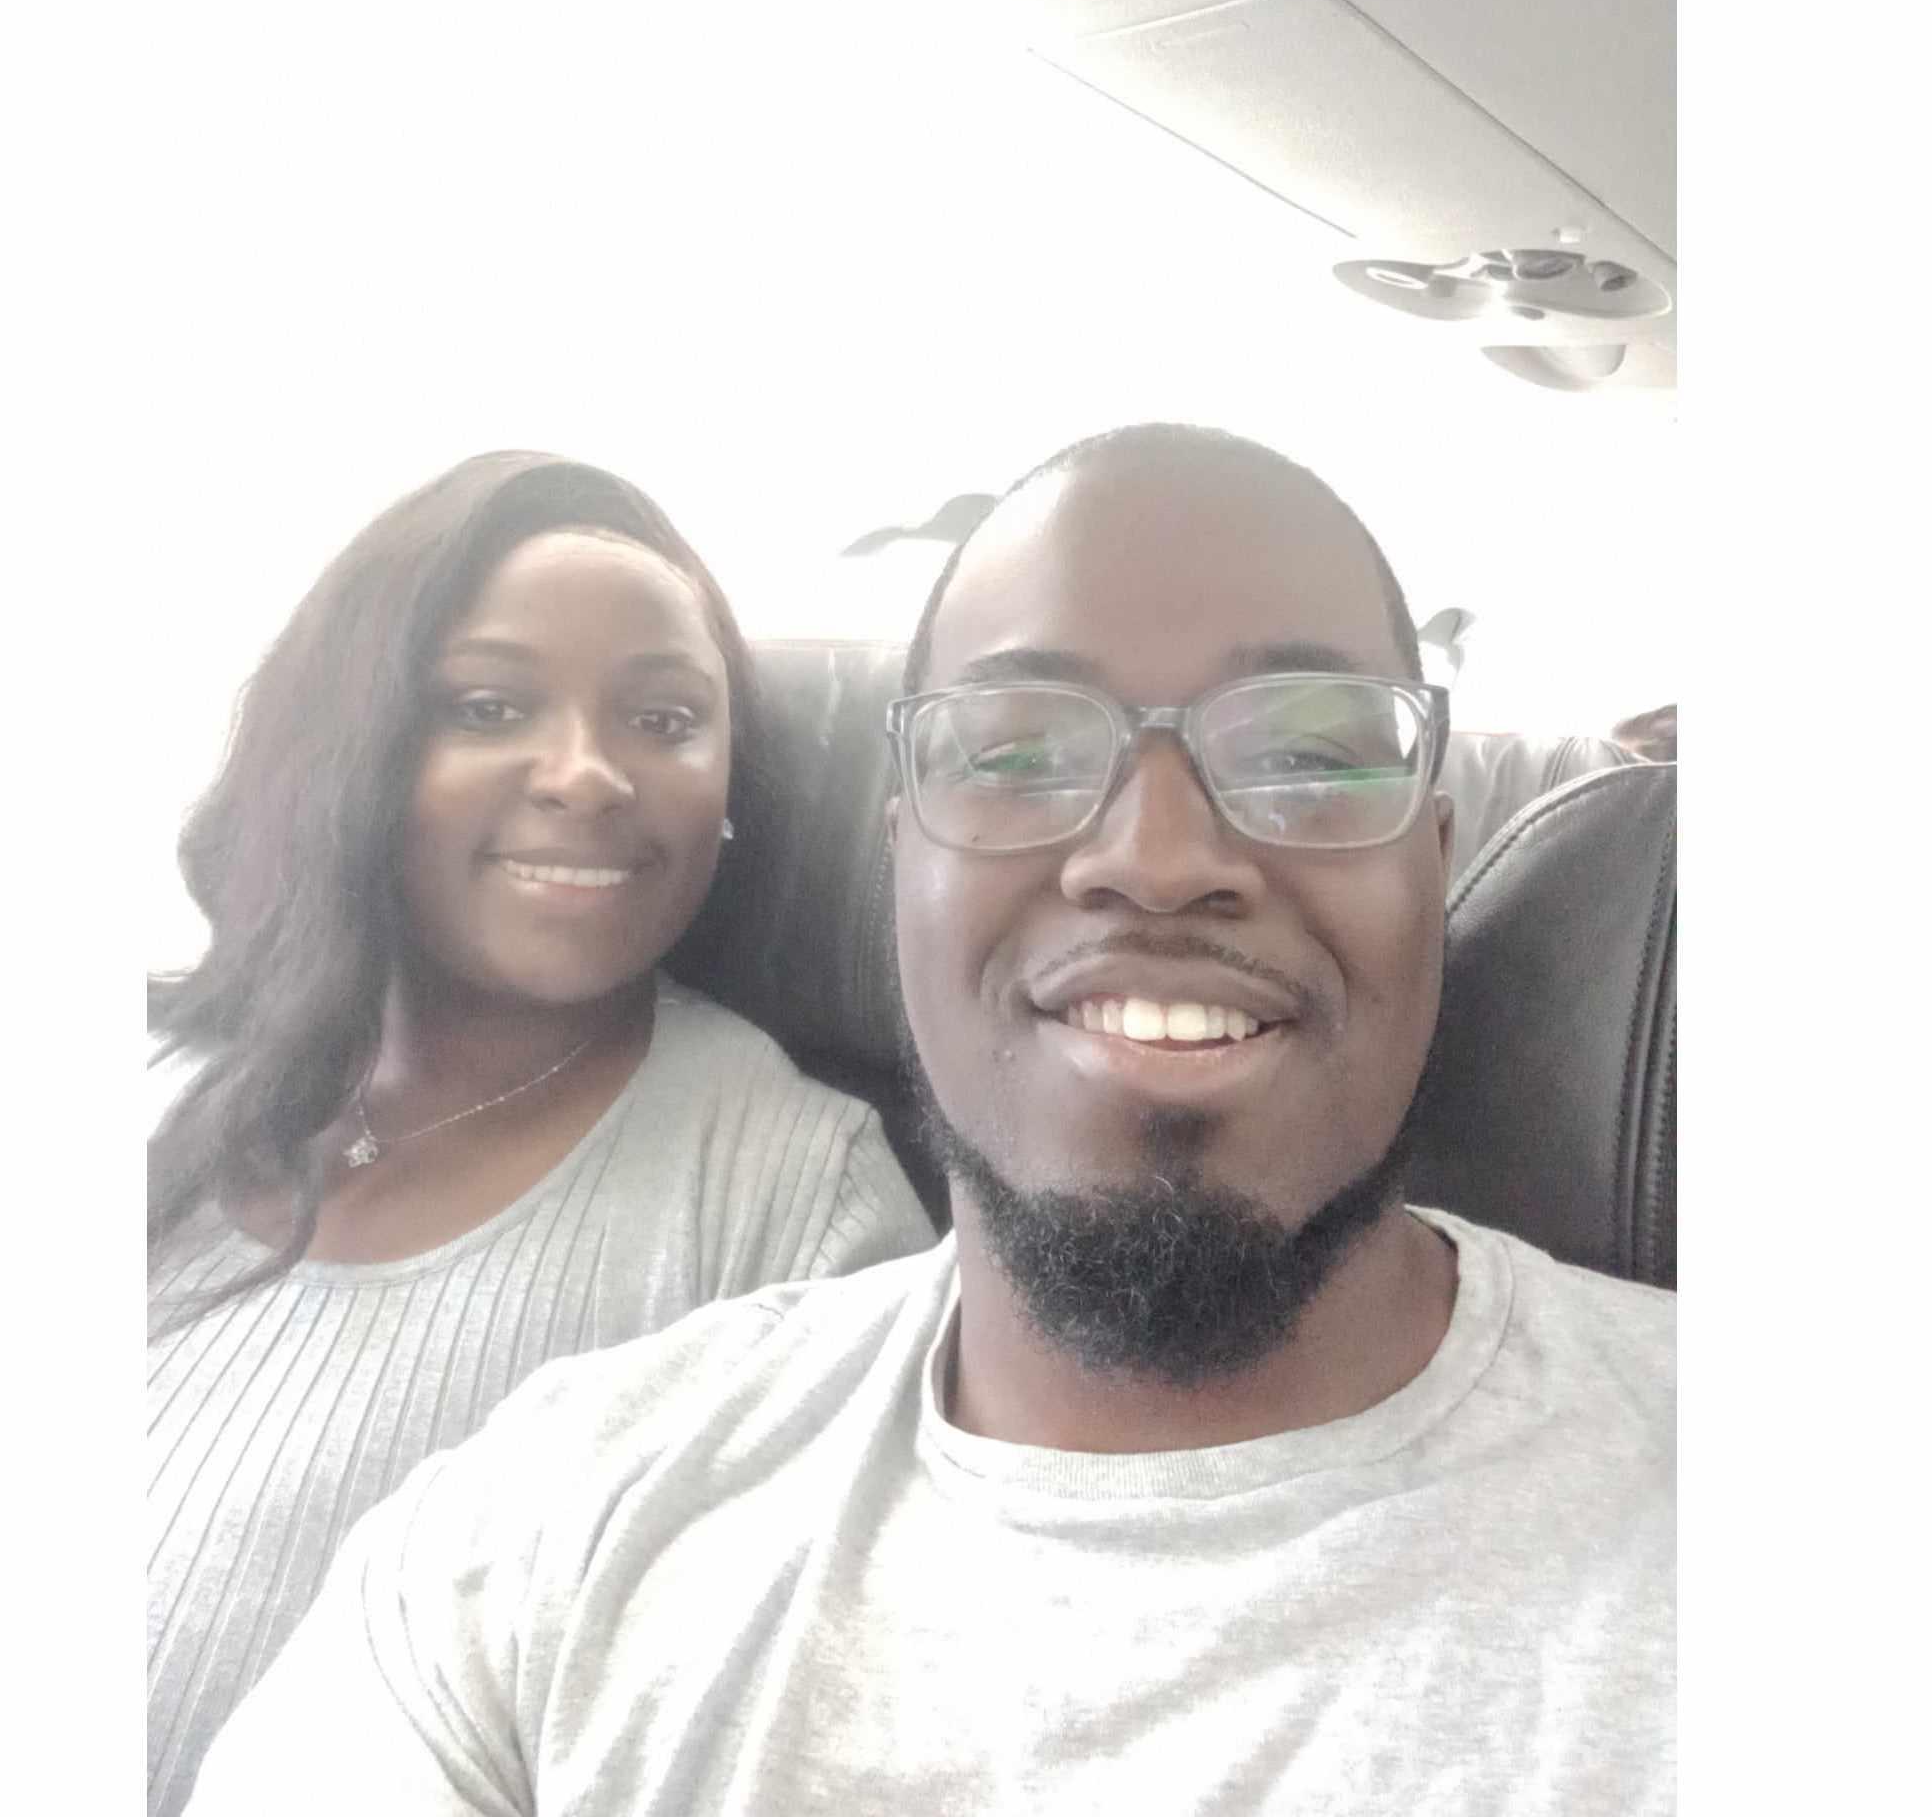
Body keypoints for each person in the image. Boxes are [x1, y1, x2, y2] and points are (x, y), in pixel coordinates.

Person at [188, 425, 1675, 1815]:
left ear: (1432, 856)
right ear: (899, 858)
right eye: (1017, 751)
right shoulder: (543, 1531)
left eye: (1305, 753)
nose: (1159, 859)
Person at [147, 450, 935, 1817]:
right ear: (356, 748)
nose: (587, 775)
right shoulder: (156, 1066)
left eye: (664, 719)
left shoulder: (797, 1198)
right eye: (490, 705)